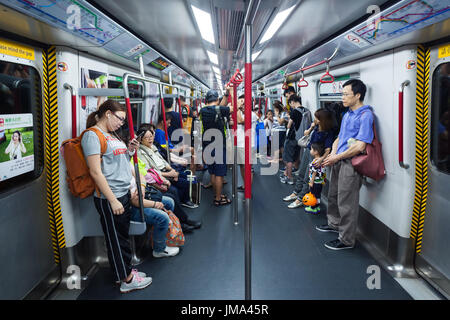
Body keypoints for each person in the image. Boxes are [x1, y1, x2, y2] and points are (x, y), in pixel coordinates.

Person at [81, 99, 152, 293]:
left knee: (121, 237)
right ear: (108, 114)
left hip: (122, 193)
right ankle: (127, 280)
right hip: (109, 197)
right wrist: (112, 199)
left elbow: (117, 162)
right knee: (116, 240)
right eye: (120, 118)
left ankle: (123, 272)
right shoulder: (92, 136)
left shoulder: (111, 134)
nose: (122, 123)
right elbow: (96, 172)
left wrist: (129, 150)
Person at [318, 79, 374, 250]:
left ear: (357, 95)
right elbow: (339, 138)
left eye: (345, 94)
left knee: (346, 201)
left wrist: (338, 157)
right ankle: (334, 224)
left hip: (350, 163)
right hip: (338, 159)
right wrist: (333, 154)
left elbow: (360, 145)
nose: (342, 97)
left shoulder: (366, 115)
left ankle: (347, 239)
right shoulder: (347, 114)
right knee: (333, 194)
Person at [136, 125, 198, 209]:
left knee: (187, 179)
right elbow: (150, 171)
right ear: (141, 139)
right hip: (160, 175)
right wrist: (170, 174)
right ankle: (181, 207)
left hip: (167, 171)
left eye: (151, 136)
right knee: (175, 190)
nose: (150, 139)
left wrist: (172, 170)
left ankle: (184, 200)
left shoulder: (153, 147)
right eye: (147, 138)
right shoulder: (140, 152)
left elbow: (163, 161)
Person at [284, 108, 334, 208]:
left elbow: (328, 149)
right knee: (301, 173)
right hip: (308, 151)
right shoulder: (316, 127)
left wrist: (321, 159)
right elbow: (306, 134)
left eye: (317, 118)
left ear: (322, 119)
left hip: (316, 156)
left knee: (308, 177)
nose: (315, 119)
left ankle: (301, 198)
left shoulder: (328, 132)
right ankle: (296, 192)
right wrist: (311, 127)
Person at [129, 165, 179, 258]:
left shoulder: (126, 162)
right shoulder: (117, 174)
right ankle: (159, 250)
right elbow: (135, 201)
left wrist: (142, 187)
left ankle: (159, 237)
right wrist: (154, 204)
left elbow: (141, 177)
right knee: (163, 217)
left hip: (141, 197)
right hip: (132, 207)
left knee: (169, 202)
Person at [199, 89, 233, 206]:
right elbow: (232, 108)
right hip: (218, 146)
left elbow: (219, 108)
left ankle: (216, 194)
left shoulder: (202, 111)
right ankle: (218, 199)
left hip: (207, 146)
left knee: (212, 173)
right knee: (219, 174)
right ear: (217, 100)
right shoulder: (220, 110)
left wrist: (226, 94)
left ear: (206, 100)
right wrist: (232, 93)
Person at [280, 95, 304, 184]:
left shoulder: (294, 112)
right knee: (295, 156)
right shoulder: (306, 110)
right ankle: (291, 173)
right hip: (300, 138)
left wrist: (288, 119)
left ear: (292, 102)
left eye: (290, 104)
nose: (291, 106)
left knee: (288, 158)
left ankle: (289, 178)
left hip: (292, 137)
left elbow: (289, 125)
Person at [236, 94, 257, 191]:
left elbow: (240, 121)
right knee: (241, 166)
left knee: (248, 168)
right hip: (240, 144)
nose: (242, 105)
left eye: (243, 103)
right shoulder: (240, 113)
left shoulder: (251, 114)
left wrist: (237, 108)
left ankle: (248, 189)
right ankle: (245, 185)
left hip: (249, 145)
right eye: (241, 103)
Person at [304, 143, 326, 214]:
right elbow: (323, 172)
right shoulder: (321, 161)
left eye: (311, 149)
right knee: (318, 195)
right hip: (320, 182)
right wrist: (323, 181)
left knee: (313, 195)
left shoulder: (315, 162)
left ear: (316, 152)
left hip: (315, 182)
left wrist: (311, 182)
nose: (310, 150)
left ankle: (313, 208)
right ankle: (317, 207)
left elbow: (314, 173)